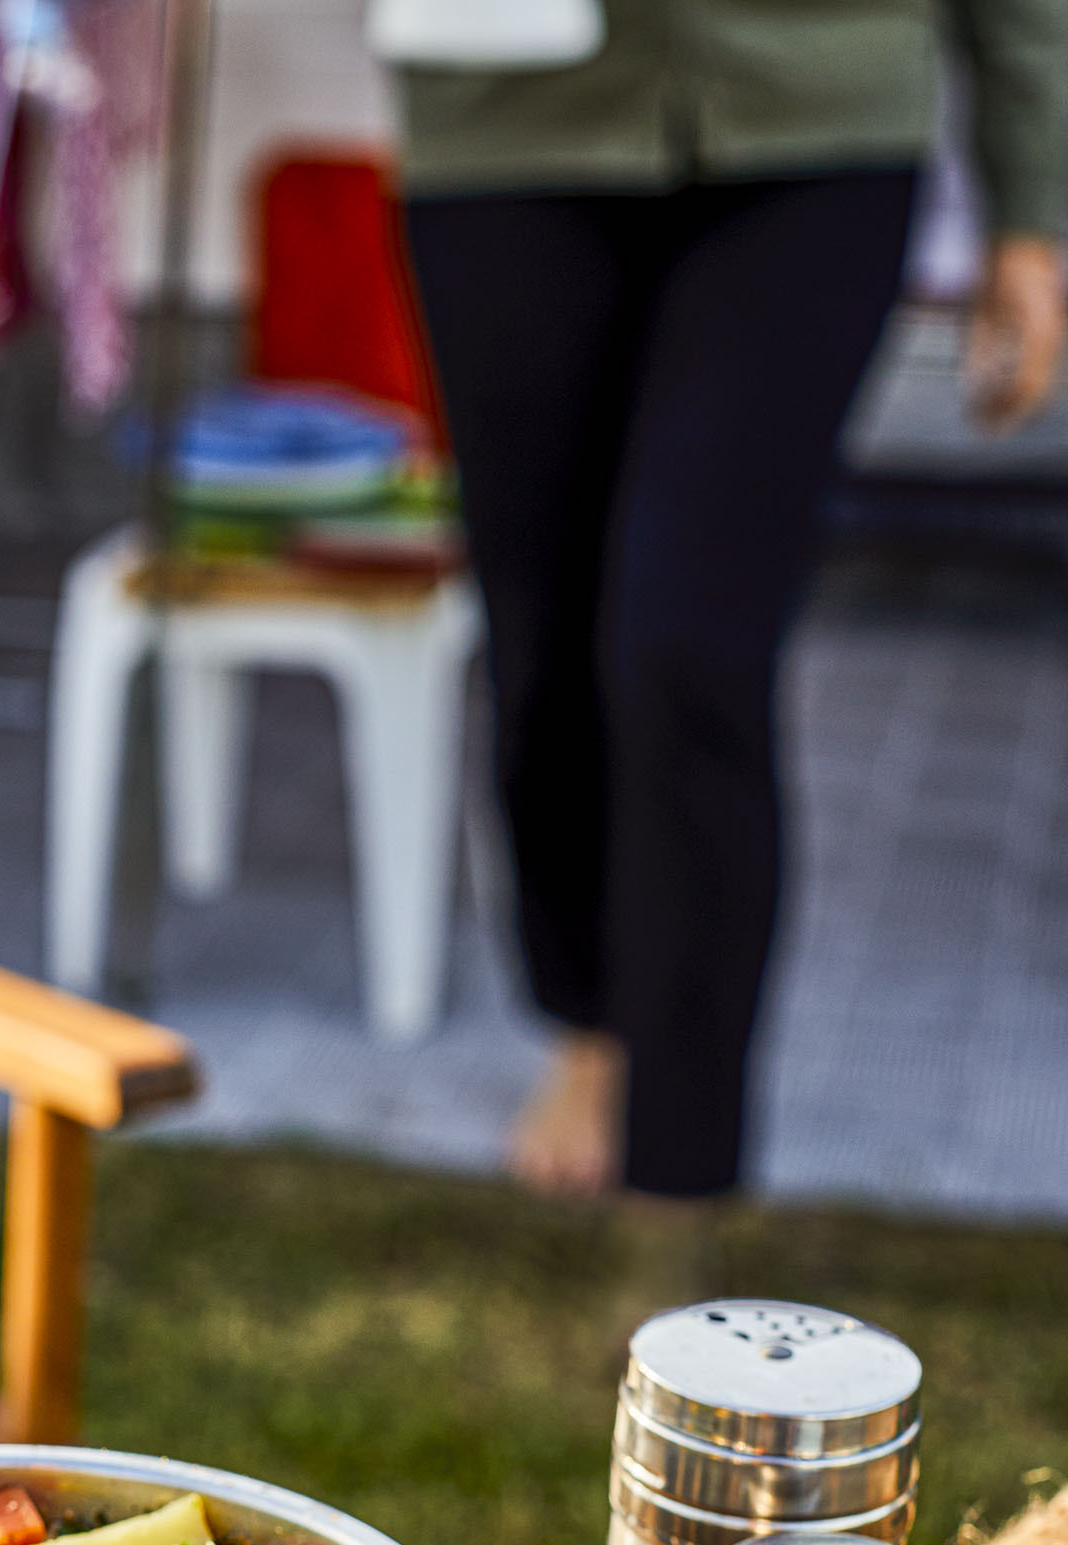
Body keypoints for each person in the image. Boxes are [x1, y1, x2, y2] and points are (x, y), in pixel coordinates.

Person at [388, 0, 1068, 1199]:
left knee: (685, 644)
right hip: (507, 127)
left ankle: (682, 1176)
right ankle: (594, 1022)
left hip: (818, 123)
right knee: (543, 638)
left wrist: (1033, 207)